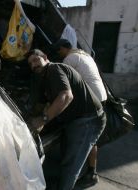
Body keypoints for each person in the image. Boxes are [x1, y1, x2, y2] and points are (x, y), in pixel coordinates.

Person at [27, 49, 106, 190]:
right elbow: (39, 105)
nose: (33, 65)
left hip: (88, 119)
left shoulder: (54, 68)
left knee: (71, 163)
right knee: (67, 156)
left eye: (35, 60)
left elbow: (66, 96)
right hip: (73, 119)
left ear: (45, 57)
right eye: (30, 63)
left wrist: (43, 119)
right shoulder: (42, 78)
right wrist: (25, 122)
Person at [54, 38, 107, 187]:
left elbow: (62, 85)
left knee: (80, 139)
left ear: (64, 48)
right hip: (101, 97)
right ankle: (92, 171)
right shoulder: (85, 55)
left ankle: (70, 174)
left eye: (59, 51)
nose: (59, 55)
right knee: (92, 140)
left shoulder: (69, 58)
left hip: (91, 99)